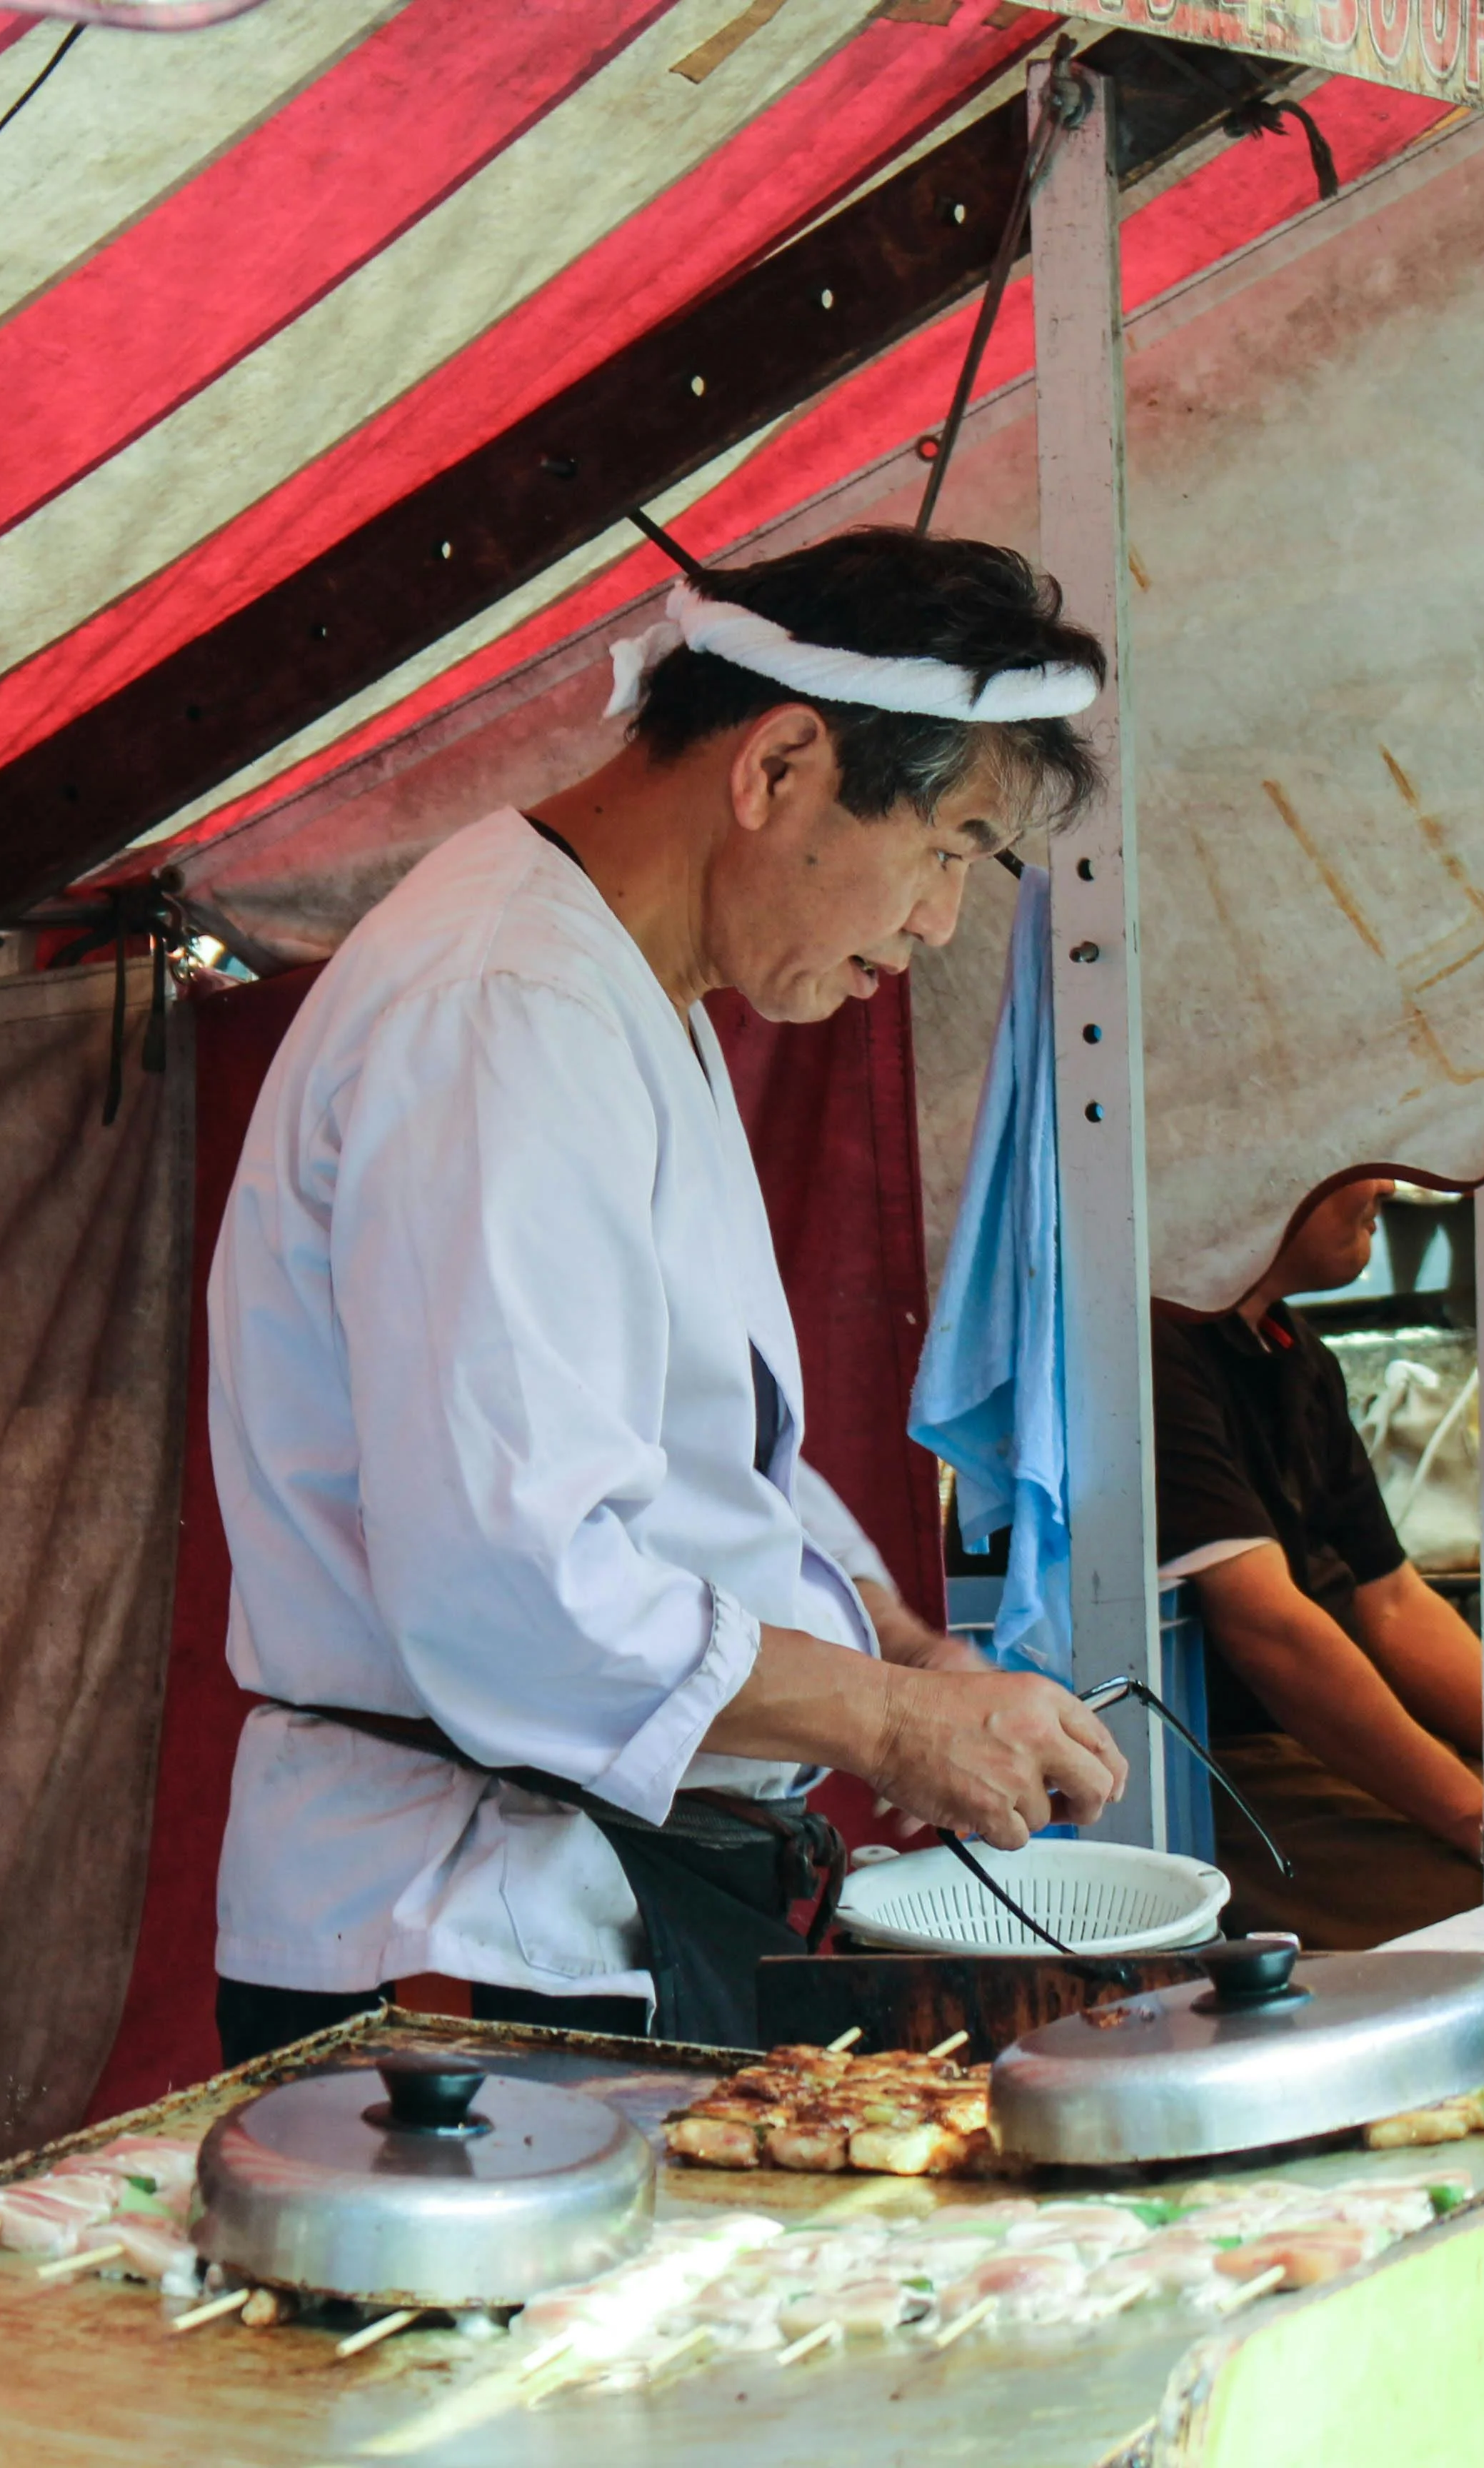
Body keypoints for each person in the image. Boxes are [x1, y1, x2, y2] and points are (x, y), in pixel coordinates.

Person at [204, 530, 1130, 2062]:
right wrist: (895, 1729)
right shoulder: (508, 1008)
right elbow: (520, 1584)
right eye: (951, 847)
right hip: (462, 1935)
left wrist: (891, 1643)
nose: (937, 925)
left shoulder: (619, 990)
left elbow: (689, 1448)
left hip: (570, 1909)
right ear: (778, 765)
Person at [1158, 1177, 1484, 1950]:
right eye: (1356, 1161)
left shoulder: (1294, 1353)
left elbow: (1393, 1602)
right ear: (1262, 1161)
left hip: (1312, 1749)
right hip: (1204, 1772)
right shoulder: (1152, 1350)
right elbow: (1270, 1631)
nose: (1384, 1185)